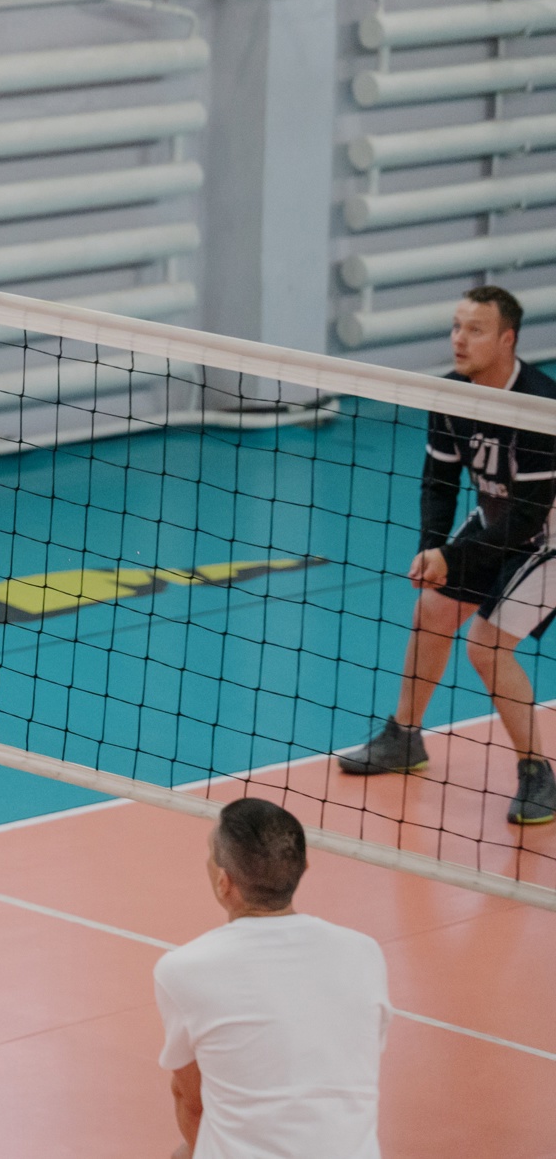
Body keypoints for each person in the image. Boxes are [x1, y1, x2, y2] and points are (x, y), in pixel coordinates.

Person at [338, 285, 556, 827]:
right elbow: (439, 483)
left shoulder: (539, 407)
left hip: (549, 538)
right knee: (432, 609)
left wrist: (453, 560)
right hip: (495, 520)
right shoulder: (452, 394)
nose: (459, 339)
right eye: (457, 327)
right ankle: (405, 738)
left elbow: (528, 520)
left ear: (507, 339)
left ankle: (538, 773)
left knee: (487, 646)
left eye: (475, 330)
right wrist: (432, 550)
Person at [154, 797, 391, 1159]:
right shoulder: (365, 952)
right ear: (303, 867)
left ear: (223, 882)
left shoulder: (182, 969)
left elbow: (192, 1101)